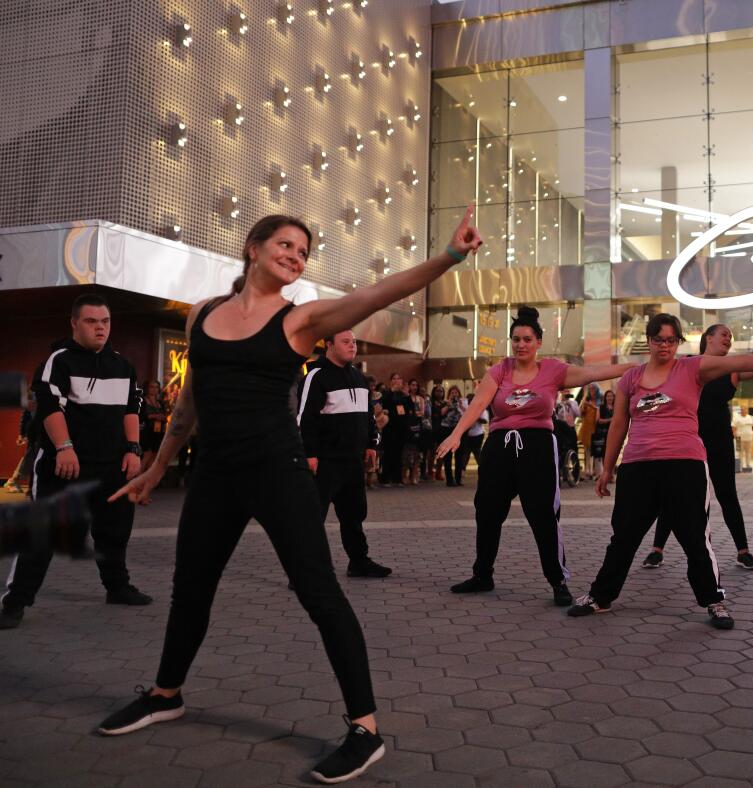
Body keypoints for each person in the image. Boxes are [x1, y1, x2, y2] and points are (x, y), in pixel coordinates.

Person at [97, 208, 482, 784]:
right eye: (285, 243)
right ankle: (165, 693)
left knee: (320, 594)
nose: (295, 255)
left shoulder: (299, 321)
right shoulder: (203, 314)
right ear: (253, 247)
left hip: (277, 472)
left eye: (303, 251)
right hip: (215, 475)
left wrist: (449, 256)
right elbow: (189, 405)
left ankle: (366, 729)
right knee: (190, 590)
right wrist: (157, 468)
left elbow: (377, 293)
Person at [568, 315, 753, 629]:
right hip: (637, 467)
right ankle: (600, 597)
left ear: (678, 342)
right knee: (623, 537)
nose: (665, 345)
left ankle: (714, 600)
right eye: (659, 339)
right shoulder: (631, 379)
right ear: (648, 341)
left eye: (671, 340)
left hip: (684, 464)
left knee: (694, 537)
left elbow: (740, 362)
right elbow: (619, 424)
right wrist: (607, 469)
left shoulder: (691, 368)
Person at [437, 306, 633, 607]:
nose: (521, 345)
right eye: (516, 339)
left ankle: (558, 581)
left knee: (543, 515)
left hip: (537, 447)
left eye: (527, 339)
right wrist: (456, 434)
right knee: (487, 512)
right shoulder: (500, 369)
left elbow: (595, 372)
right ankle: (482, 575)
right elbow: (478, 405)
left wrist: (637, 369)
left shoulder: (553, 370)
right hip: (500, 446)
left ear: (538, 342)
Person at [1, 294, 149, 630]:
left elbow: (131, 410)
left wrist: (133, 450)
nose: (100, 328)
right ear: (74, 323)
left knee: (115, 532)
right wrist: (65, 447)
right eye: (91, 321)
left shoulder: (122, 365)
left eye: (105, 322)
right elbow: (51, 407)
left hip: (114, 466)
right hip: (65, 465)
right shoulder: (59, 361)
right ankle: (15, 602)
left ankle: (117, 587)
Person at [642, 323, 753, 572]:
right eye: (724, 334)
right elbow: (664, 392)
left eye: (731, 337)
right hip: (688, 438)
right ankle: (657, 550)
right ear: (708, 338)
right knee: (674, 493)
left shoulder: (731, 370)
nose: (729, 339)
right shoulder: (688, 365)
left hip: (720, 439)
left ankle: (743, 551)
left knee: (727, 495)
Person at [297, 329, 391, 578]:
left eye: (354, 342)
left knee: (353, 515)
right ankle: (304, 572)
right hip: (324, 461)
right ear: (328, 345)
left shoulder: (358, 377)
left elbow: (369, 417)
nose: (352, 347)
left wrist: (372, 444)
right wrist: (310, 453)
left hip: (352, 461)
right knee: (312, 517)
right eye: (346, 342)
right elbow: (305, 418)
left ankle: (358, 561)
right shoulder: (315, 376)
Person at [378, 373, 409, 487]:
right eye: (394, 378)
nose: (397, 380)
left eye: (399, 378)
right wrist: (392, 391)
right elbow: (384, 404)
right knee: (388, 453)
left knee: (398, 453)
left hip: (400, 428)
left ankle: (397, 478)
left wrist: (407, 395)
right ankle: (385, 478)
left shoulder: (403, 395)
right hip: (389, 427)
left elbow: (409, 408)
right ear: (391, 381)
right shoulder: (386, 393)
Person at [456, 393, 487, 485]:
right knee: (465, 454)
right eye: (469, 400)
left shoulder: (481, 408)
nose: (470, 401)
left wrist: (475, 416)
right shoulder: (465, 409)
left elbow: (485, 420)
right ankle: (462, 473)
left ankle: (484, 474)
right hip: (467, 435)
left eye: (472, 399)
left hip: (478, 435)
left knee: (478, 454)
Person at [140, 380, 168, 475]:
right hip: (146, 431)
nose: (154, 389)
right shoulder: (142, 401)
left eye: (156, 387)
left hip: (158, 431)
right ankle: (137, 479)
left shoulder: (161, 402)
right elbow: (139, 416)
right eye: (152, 387)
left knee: (155, 456)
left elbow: (165, 415)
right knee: (146, 455)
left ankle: (146, 479)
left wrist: (163, 418)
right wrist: (153, 416)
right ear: (147, 388)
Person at [438, 385, 464, 486]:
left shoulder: (462, 402)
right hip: (446, 430)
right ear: (449, 394)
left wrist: (460, 405)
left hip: (458, 430)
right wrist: (448, 405)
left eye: (456, 392)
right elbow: (442, 413)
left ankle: (458, 479)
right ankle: (449, 479)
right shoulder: (445, 402)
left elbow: (466, 413)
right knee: (447, 455)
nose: (454, 395)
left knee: (459, 455)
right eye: (452, 393)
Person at [590, 390, 615, 481]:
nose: (610, 398)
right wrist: (610, 420)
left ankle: (611, 474)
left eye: (611, 396)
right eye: (608, 396)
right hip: (603, 433)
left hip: (614, 433)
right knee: (604, 454)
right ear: (605, 397)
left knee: (613, 453)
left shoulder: (616, 407)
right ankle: (606, 475)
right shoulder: (601, 407)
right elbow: (598, 420)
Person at [577, 386, 599, 480]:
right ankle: (587, 470)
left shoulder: (599, 401)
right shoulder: (586, 401)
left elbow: (598, 410)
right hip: (586, 428)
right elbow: (581, 414)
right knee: (587, 450)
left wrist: (590, 405)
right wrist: (583, 404)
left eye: (593, 389)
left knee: (595, 450)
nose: (591, 391)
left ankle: (595, 470)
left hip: (595, 428)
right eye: (590, 389)